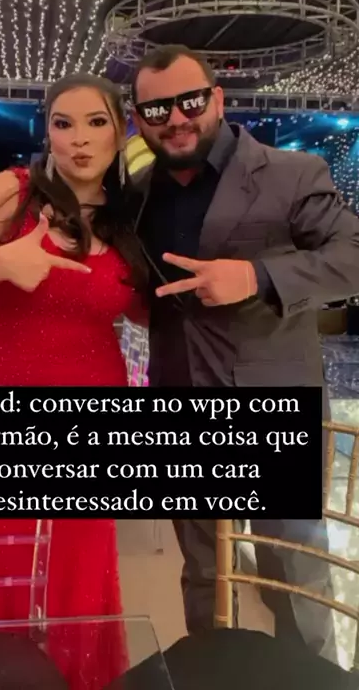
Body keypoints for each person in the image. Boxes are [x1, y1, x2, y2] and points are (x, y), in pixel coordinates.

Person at [0, 73, 148, 690]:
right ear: (48, 131)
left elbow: (145, 310)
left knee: (74, 578)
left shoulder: (128, 219)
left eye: (96, 122)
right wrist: (2, 262)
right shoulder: (13, 193)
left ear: (120, 132)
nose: (79, 139)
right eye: (63, 123)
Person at [129, 44, 359, 661]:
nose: (176, 119)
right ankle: (215, 671)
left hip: (274, 402)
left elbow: (353, 255)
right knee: (204, 572)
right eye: (157, 109)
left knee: (294, 572)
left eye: (190, 101)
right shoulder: (139, 193)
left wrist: (256, 276)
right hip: (178, 400)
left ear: (217, 99)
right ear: (139, 118)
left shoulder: (292, 172)